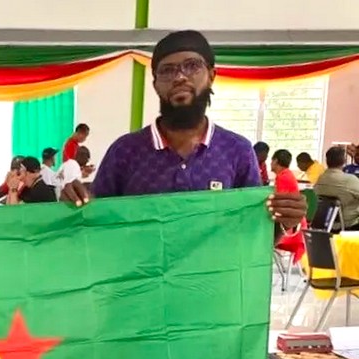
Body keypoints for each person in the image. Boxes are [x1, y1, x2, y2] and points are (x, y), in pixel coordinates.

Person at [61, 30, 306, 235]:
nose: (179, 77)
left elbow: (253, 236)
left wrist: (286, 222)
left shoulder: (237, 151)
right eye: (167, 70)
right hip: (139, 279)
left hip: (213, 279)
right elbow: (95, 228)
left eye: (192, 66)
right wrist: (72, 206)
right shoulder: (125, 151)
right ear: (156, 84)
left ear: (211, 76)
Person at [314, 146, 359, 230]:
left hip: (326, 223)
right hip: (349, 225)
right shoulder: (350, 180)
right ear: (344, 161)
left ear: (327, 161)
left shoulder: (320, 178)